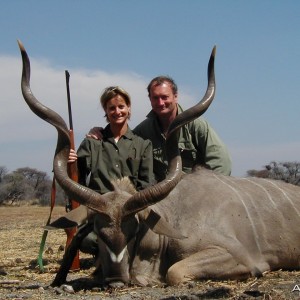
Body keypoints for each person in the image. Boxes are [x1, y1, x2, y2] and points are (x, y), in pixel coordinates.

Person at [88, 76, 231, 182]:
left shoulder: (196, 125)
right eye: (155, 98)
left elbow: (220, 163)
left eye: (165, 97)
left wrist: (207, 192)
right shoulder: (143, 131)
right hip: (161, 200)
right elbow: (121, 142)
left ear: (175, 96)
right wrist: (99, 132)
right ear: (150, 99)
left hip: (196, 195)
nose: (160, 103)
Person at [69, 86, 154, 194]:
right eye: (112, 108)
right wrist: (68, 162)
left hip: (130, 207)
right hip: (97, 207)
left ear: (128, 107)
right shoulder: (91, 143)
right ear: (106, 110)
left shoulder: (143, 145)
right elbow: (76, 177)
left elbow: (145, 185)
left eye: (121, 106)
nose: (117, 112)